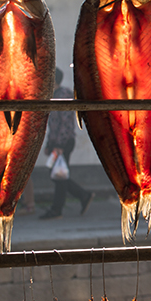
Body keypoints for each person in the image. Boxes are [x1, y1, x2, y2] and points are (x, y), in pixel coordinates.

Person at [40, 67, 94, 219]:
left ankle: (58, 209)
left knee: (58, 175)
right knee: (57, 174)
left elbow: (65, 123)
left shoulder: (63, 95)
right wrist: (49, 144)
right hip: (57, 143)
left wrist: (59, 146)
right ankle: (82, 196)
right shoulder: (53, 95)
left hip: (64, 143)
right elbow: (53, 123)